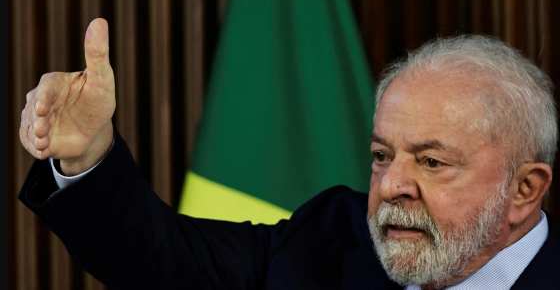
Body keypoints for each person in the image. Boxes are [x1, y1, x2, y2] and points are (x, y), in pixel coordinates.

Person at [18, 18, 560, 289]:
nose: (392, 184)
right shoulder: (330, 240)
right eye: (380, 155)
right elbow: (163, 260)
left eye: (431, 161)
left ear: (524, 190)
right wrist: (88, 155)